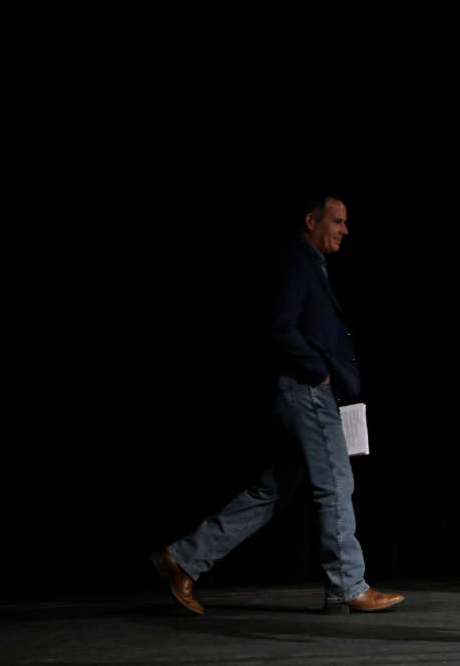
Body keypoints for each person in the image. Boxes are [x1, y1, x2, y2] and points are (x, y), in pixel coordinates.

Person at [151, 195, 404, 615]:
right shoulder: (296, 262)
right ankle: (347, 584)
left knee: (270, 490)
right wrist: (317, 372)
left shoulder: (308, 265)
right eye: (338, 221)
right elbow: (280, 326)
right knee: (336, 484)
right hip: (306, 390)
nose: (345, 229)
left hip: (300, 391)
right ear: (311, 220)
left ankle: (184, 558)